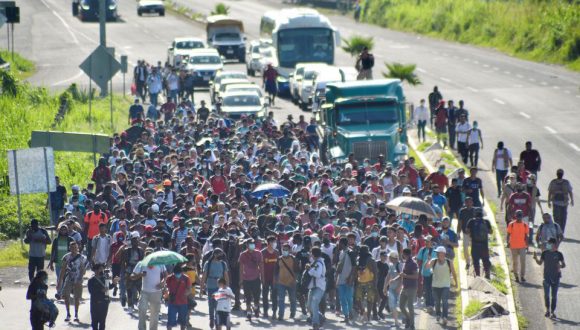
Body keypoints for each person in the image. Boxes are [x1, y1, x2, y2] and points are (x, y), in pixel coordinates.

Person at [133, 248, 166, 330]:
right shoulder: (141, 264)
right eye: (147, 255)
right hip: (144, 292)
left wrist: (163, 282)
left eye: (150, 255)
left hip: (156, 292)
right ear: (145, 256)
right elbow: (132, 276)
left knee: (154, 314)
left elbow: (165, 275)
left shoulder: (160, 263)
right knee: (142, 310)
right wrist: (140, 274)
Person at [533, 238, 565, 319]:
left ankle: (553, 312)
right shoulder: (545, 253)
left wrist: (560, 266)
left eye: (549, 244)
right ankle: (547, 310)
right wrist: (535, 258)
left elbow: (564, 265)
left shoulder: (559, 254)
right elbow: (540, 263)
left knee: (554, 296)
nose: (547, 245)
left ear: (554, 245)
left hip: (556, 278)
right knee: (546, 295)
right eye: (548, 243)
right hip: (546, 278)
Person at [425, 246, 457, 326]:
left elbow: (453, 272)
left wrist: (456, 282)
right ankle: (438, 314)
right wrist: (428, 259)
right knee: (437, 302)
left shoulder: (449, 262)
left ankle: (445, 317)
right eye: (437, 253)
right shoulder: (434, 261)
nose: (436, 254)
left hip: (445, 285)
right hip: (435, 286)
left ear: (442, 253)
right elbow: (427, 267)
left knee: (445, 301)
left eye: (438, 253)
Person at [58, 241, 87, 322]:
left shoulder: (83, 258)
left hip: (78, 279)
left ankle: (76, 314)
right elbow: (63, 270)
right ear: (69, 248)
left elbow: (84, 272)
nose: (73, 249)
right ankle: (68, 313)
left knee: (76, 298)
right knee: (66, 296)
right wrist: (59, 282)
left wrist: (82, 268)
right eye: (72, 247)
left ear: (77, 248)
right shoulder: (66, 257)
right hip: (69, 279)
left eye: (75, 247)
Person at [201, 248, 229, 329]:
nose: (221, 256)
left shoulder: (223, 264)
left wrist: (227, 288)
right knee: (211, 304)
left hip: (220, 287)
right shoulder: (208, 264)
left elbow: (226, 276)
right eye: (219, 254)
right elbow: (204, 276)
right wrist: (201, 288)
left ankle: (217, 321)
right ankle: (211, 319)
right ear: (215, 254)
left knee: (218, 305)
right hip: (210, 286)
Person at [88, 263, 119, 330]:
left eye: (102, 269)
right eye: (100, 269)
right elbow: (91, 291)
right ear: (95, 270)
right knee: (94, 322)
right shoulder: (91, 280)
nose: (102, 270)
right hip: (95, 303)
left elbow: (108, 289)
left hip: (104, 303)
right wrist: (101, 290)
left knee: (102, 322)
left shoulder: (105, 278)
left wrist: (114, 283)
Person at [239, 238, 263, 320]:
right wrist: (241, 280)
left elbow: (261, 266)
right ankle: (249, 312)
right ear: (247, 245)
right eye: (250, 244)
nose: (252, 245)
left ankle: (256, 307)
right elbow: (241, 268)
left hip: (256, 278)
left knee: (257, 296)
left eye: (253, 243)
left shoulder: (258, 253)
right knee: (248, 296)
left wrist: (262, 278)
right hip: (246, 279)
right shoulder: (243, 255)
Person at [466, 209, 492, 279]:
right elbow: (491, 232)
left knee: (475, 261)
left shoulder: (471, 221)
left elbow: (467, 231)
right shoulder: (486, 222)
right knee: (486, 260)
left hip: (475, 245)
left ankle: (477, 276)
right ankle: (487, 274)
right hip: (484, 245)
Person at [276, 243, 299, 320]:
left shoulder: (294, 259)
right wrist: (275, 280)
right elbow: (276, 271)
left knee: (292, 299)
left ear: (289, 250)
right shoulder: (279, 259)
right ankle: (280, 315)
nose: (284, 251)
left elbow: (297, 271)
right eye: (283, 249)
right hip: (281, 282)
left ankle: (292, 313)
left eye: (286, 249)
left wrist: (294, 280)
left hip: (291, 282)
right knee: (281, 299)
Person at [335, 237, 355, 324]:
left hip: (348, 279)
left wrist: (351, 278)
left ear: (342, 244)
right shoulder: (341, 252)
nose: (338, 245)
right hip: (341, 279)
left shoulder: (351, 252)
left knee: (349, 298)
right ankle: (346, 316)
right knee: (342, 298)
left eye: (339, 243)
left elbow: (354, 266)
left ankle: (350, 312)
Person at [165, 264, 192, 330]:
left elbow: (189, 289)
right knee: (170, 322)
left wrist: (186, 293)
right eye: (176, 273)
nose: (177, 275)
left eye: (179, 273)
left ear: (182, 272)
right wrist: (166, 295)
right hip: (172, 302)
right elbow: (166, 288)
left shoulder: (186, 278)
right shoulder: (169, 278)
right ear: (173, 273)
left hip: (183, 303)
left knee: (183, 322)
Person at [547, 169, 573, 234]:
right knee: (556, 217)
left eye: (560, 173)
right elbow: (550, 192)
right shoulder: (553, 182)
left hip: (564, 203)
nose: (559, 174)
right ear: (557, 174)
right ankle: (557, 231)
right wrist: (548, 201)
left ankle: (561, 232)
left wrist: (572, 200)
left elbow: (570, 191)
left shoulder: (566, 182)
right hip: (556, 202)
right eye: (559, 173)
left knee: (563, 218)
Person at [398, 248, 418, 330]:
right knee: (401, 306)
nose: (402, 255)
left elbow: (416, 276)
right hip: (405, 287)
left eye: (403, 254)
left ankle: (412, 324)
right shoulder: (405, 262)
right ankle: (409, 319)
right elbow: (403, 275)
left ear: (405, 254)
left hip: (411, 288)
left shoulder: (413, 263)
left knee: (410, 306)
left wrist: (405, 275)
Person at [306, 246, 326, 330]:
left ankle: (316, 324)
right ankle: (320, 317)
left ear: (314, 254)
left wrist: (309, 269)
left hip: (319, 286)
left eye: (311, 253)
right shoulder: (315, 261)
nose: (310, 254)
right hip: (313, 286)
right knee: (309, 306)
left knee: (314, 304)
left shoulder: (319, 263)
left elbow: (317, 274)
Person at [507, 210, 529, 282]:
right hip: (513, 246)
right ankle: (516, 276)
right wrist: (508, 242)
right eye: (518, 215)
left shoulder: (525, 225)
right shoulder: (511, 224)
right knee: (515, 262)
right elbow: (508, 234)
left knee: (523, 261)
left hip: (522, 245)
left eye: (520, 215)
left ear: (522, 216)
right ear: (515, 216)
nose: (519, 217)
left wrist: (527, 245)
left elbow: (526, 236)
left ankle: (522, 276)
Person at [416, 236, 437, 312]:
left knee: (432, 289)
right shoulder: (423, 250)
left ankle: (431, 305)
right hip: (425, 273)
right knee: (426, 289)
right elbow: (418, 259)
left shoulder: (435, 250)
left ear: (431, 242)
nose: (426, 242)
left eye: (428, 241)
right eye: (425, 241)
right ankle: (428, 305)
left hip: (433, 273)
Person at [383, 251, 402, 328]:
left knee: (400, 305)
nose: (388, 258)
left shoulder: (399, 265)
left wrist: (399, 287)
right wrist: (385, 287)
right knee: (392, 305)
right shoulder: (391, 265)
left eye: (390, 257)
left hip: (398, 288)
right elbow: (388, 276)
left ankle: (405, 319)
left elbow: (402, 276)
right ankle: (396, 322)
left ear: (393, 258)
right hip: (391, 288)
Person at [261, 235, 279, 318]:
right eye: (273, 242)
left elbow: (279, 266)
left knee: (274, 296)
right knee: (265, 295)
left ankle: (274, 312)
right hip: (265, 277)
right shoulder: (263, 252)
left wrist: (277, 278)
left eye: (275, 242)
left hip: (274, 278)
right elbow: (260, 266)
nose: (275, 243)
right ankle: (265, 312)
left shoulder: (277, 252)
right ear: (268, 243)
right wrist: (262, 278)